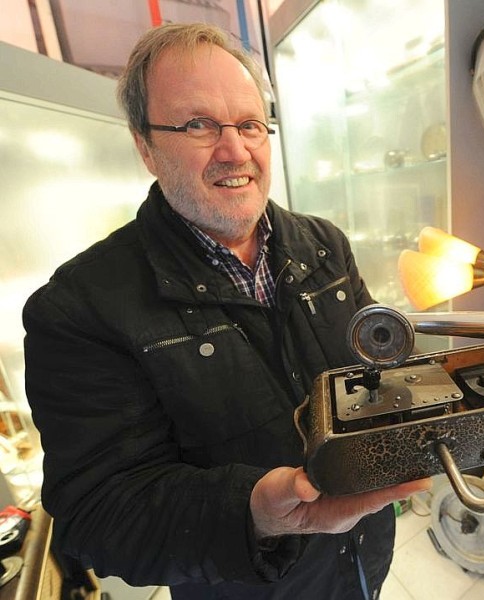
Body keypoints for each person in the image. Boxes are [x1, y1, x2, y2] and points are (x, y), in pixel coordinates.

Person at [22, 23, 429, 600]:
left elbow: (370, 373)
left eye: (249, 124)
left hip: (359, 562)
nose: (235, 150)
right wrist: (257, 512)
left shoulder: (324, 245)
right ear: (145, 145)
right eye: (197, 125)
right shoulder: (79, 309)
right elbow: (95, 515)